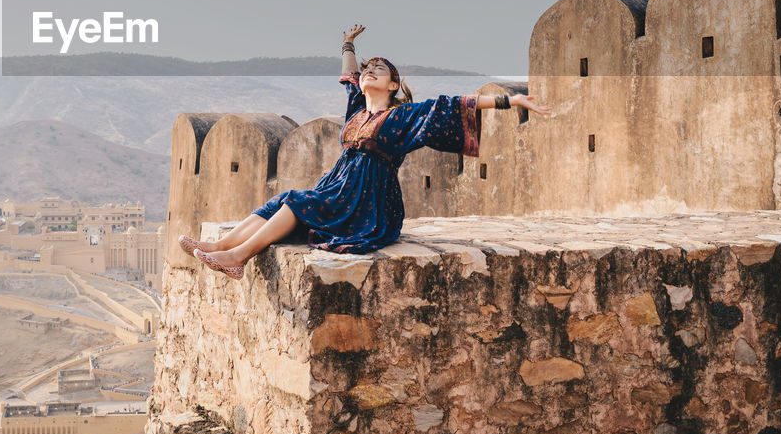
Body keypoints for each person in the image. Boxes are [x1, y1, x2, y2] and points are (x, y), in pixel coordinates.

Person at [180, 24, 552, 278]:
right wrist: (347, 46)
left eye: (379, 69)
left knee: (295, 204)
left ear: (393, 84)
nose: (368, 71)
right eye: (366, 69)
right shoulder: (357, 111)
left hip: (368, 201)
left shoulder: (403, 116)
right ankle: (222, 244)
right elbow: (347, 77)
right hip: (338, 187)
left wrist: (510, 99)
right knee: (281, 201)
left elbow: (454, 104)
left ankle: (238, 257)